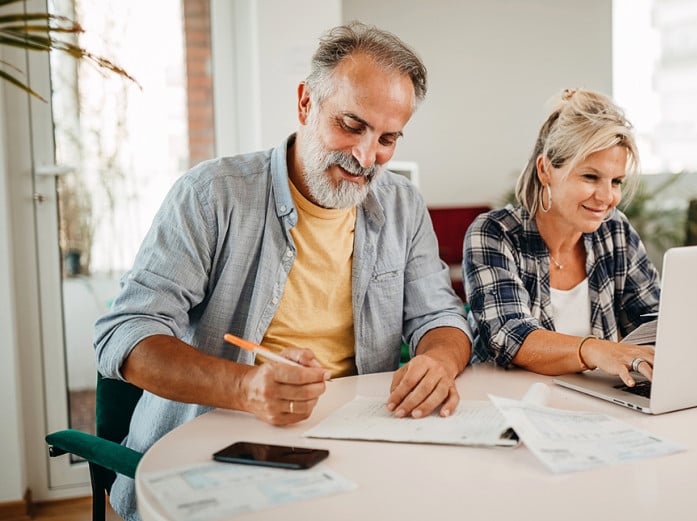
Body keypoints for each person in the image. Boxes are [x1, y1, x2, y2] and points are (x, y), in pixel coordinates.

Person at [94, 22, 471, 520]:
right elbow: (125, 333)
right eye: (352, 125)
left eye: (387, 138)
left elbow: (441, 316)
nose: (366, 156)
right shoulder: (211, 195)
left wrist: (439, 360)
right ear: (305, 104)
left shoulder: (402, 205)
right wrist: (244, 387)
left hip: (350, 449)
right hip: (209, 450)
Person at [463, 88, 659, 386]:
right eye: (590, 177)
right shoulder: (494, 233)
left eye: (616, 181)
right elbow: (509, 335)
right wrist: (594, 350)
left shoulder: (614, 231)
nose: (607, 197)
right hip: (505, 407)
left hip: (592, 407)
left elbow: (654, 323)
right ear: (545, 170)